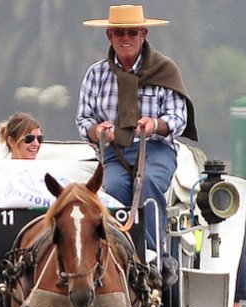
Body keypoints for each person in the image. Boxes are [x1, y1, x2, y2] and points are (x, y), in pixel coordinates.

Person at [76, 4, 197, 257]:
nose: (126, 39)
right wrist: (99, 131)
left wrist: (155, 124)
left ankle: (152, 254)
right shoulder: (96, 74)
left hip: (155, 150)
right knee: (116, 187)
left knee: (149, 183)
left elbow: (178, 117)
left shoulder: (165, 69)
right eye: (119, 33)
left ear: (144, 35)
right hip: (113, 152)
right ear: (110, 37)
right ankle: (121, 254)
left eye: (132, 32)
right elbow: (84, 120)